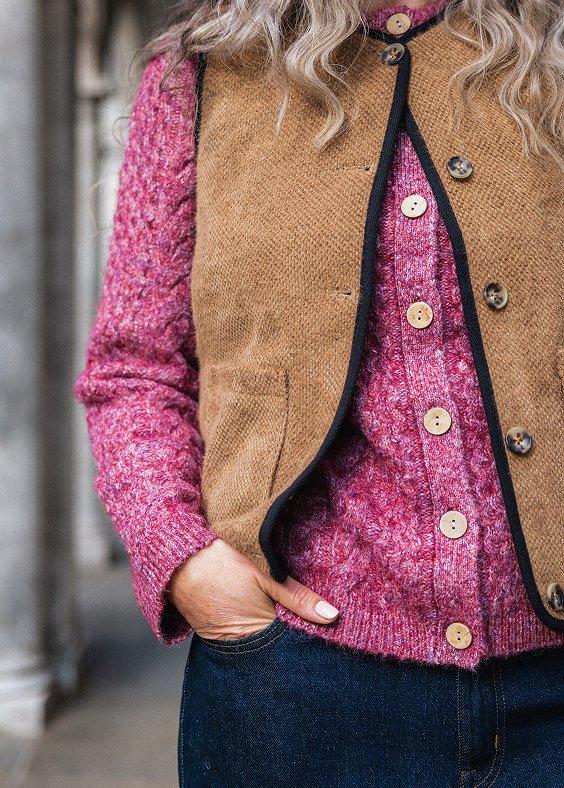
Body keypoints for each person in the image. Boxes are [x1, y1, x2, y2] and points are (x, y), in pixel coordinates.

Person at [75, 0, 564, 785]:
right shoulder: (201, 75)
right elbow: (135, 367)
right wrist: (187, 563)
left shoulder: (548, 50)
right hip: (301, 687)